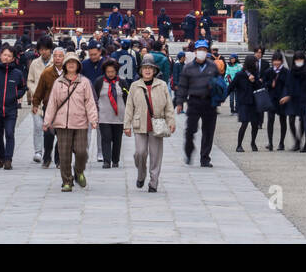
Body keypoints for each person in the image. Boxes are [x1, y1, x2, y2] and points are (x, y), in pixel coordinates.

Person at [43, 54, 98, 191]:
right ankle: (67, 181)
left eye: (74, 62)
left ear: (78, 65)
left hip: (80, 122)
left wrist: (93, 119)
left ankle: (78, 170)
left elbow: (90, 102)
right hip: (62, 123)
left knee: (81, 152)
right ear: (65, 65)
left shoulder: (84, 82)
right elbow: (52, 104)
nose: (71, 65)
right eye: (69, 62)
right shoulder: (58, 83)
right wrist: (47, 121)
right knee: (64, 154)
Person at [124, 57, 175, 192]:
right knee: (140, 153)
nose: (147, 70)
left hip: (157, 124)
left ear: (154, 70)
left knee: (155, 155)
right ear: (141, 70)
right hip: (139, 123)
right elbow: (129, 106)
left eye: (150, 68)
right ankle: (141, 174)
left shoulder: (162, 85)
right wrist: (126, 125)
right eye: (145, 68)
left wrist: (171, 121)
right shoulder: (135, 85)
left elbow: (169, 105)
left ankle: (153, 182)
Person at [175, 39, 219, 167]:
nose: (202, 52)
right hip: (194, 101)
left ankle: (205, 158)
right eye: (199, 50)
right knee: (190, 130)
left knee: (208, 131)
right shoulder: (188, 67)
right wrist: (179, 103)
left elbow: (219, 83)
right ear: (195, 52)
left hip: (209, 102)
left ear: (207, 52)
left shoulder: (212, 66)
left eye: (204, 50)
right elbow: (182, 86)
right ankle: (189, 151)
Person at [32, 47, 65, 168]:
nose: (57, 58)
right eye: (55, 56)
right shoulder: (47, 73)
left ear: (64, 58)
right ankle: (47, 158)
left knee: (62, 135)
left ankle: (59, 159)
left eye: (60, 56)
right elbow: (40, 90)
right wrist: (35, 103)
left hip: (65, 109)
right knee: (49, 135)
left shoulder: (69, 73)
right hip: (49, 107)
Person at [93, 59, 130, 168]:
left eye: (112, 71)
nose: (110, 74)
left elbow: (127, 97)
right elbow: (94, 98)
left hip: (119, 116)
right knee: (106, 138)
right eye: (108, 72)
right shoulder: (99, 82)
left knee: (117, 139)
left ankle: (115, 160)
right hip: (104, 116)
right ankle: (106, 160)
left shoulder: (122, 82)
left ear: (116, 71)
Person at [26, 38, 55, 163]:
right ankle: (38, 151)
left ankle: (49, 151)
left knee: (51, 128)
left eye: (46, 49)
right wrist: (35, 91)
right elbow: (30, 80)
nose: (44, 52)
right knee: (38, 126)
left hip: (52, 100)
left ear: (50, 50)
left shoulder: (56, 62)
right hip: (37, 100)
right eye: (41, 49)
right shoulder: (35, 63)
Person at [230, 54, 265, 152]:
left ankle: (253, 142)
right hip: (244, 102)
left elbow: (260, 86)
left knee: (255, 124)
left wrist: (254, 81)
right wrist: (222, 97)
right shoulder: (240, 75)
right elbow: (231, 86)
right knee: (244, 123)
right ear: (250, 64)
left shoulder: (255, 74)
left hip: (254, 102)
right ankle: (239, 145)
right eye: (255, 63)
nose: (257, 64)